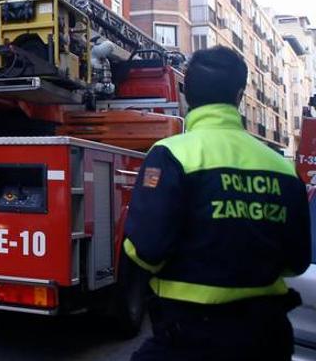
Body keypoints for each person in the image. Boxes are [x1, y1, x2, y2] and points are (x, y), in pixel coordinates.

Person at [124, 46, 311, 361]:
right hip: (267, 338)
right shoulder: (281, 168)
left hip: (189, 337)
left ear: (188, 96)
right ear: (239, 95)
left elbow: (144, 251)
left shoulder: (171, 155)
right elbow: (297, 261)